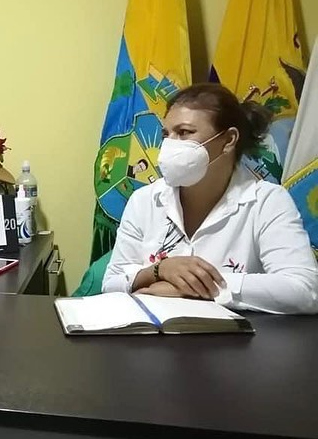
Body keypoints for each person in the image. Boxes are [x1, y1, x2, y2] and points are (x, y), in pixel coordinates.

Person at [103, 83, 318, 315]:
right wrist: (159, 270)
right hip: (152, 333)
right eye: (166, 134)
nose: (169, 145)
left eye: (184, 133)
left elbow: (305, 290)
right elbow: (112, 283)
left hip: (235, 336)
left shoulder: (267, 201)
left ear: (228, 140)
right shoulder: (144, 200)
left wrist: (197, 288)